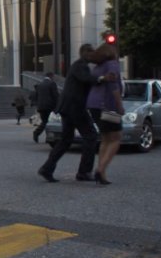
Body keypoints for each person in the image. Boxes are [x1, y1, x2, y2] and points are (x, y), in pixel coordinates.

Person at [38, 43, 116, 183]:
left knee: (66, 140)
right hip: (75, 107)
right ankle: (84, 172)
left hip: (68, 107)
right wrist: (103, 78)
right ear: (84, 53)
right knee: (91, 135)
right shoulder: (80, 65)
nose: (93, 56)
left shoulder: (79, 65)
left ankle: (47, 168)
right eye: (91, 53)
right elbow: (86, 79)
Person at [86, 44, 124, 185]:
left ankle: (102, 172)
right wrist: (119, 105)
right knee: (116, 137)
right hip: (108, 105)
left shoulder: (97, 68)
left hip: (94, 105)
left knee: (105, 138)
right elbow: (113, 87)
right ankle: (100, 169)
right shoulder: (112, 65)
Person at [32, 72, 59, 143]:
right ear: (51, 76)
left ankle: (38, 133)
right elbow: (55, 96)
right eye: (53, 76)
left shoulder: (40, 84)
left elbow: (36, 96)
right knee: (49, 122)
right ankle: (44, 135)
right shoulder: (52, 84)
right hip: (50, 106)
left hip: (41, 107)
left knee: (45, 121)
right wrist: (58, 106)